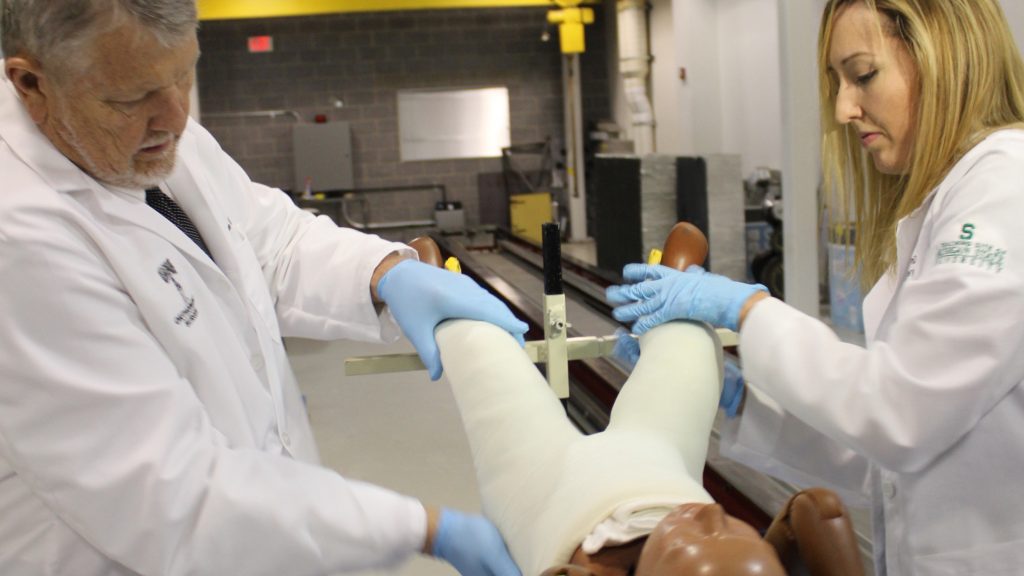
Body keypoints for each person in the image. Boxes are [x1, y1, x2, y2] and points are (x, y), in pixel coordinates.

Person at [0, 1, 529, 574]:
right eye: (130, 99)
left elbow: (267, 240)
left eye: (183, 74)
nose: (174, 117)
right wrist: (422, 528)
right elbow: (172, 496)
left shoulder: (155, 135)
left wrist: (381, 273)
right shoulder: (20, 239)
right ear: (31, 82)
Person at [606, 0, 1024, 574]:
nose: (845, 107)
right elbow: (888, 460)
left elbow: (901, 412)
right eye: (836, 81)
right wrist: (737, 399)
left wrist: (747, 309)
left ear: (944, 55)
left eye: (864, 74)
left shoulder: (1006, 188)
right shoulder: (948, 201)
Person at [411, 233, 861, 576]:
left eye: (703, 536)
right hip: (661, 465)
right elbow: (817, 507)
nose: (710, 518)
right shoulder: (694, 515)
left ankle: (443, 292)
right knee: (689, 354)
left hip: (549, 491)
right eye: (725, 526)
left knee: (487, 364)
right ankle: (675, 278)